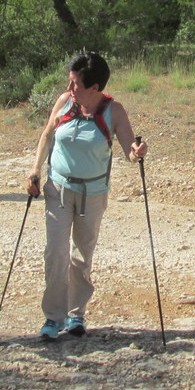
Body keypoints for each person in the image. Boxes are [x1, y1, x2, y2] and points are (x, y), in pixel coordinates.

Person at [24, 52, 147, 341]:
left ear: (94, 87)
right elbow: (47, 135)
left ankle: (76, 315)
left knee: (82, 255)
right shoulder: (64, 102)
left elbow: (130, 151)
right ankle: (52, 318)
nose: (70, 89)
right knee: (56, 252)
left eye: (76, 83)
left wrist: (138, 152)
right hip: (58, 189)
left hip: (93, 194)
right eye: (70, 82)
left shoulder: (113, 111)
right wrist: (34, 171)